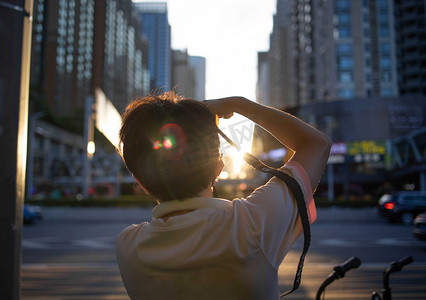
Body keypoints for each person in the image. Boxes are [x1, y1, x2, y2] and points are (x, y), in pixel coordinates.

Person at [116, 92, 331, 300]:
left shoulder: (128, 248)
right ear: (218, 165)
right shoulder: (251, 225)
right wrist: (238, 104)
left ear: (140, 181)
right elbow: (316, 144)